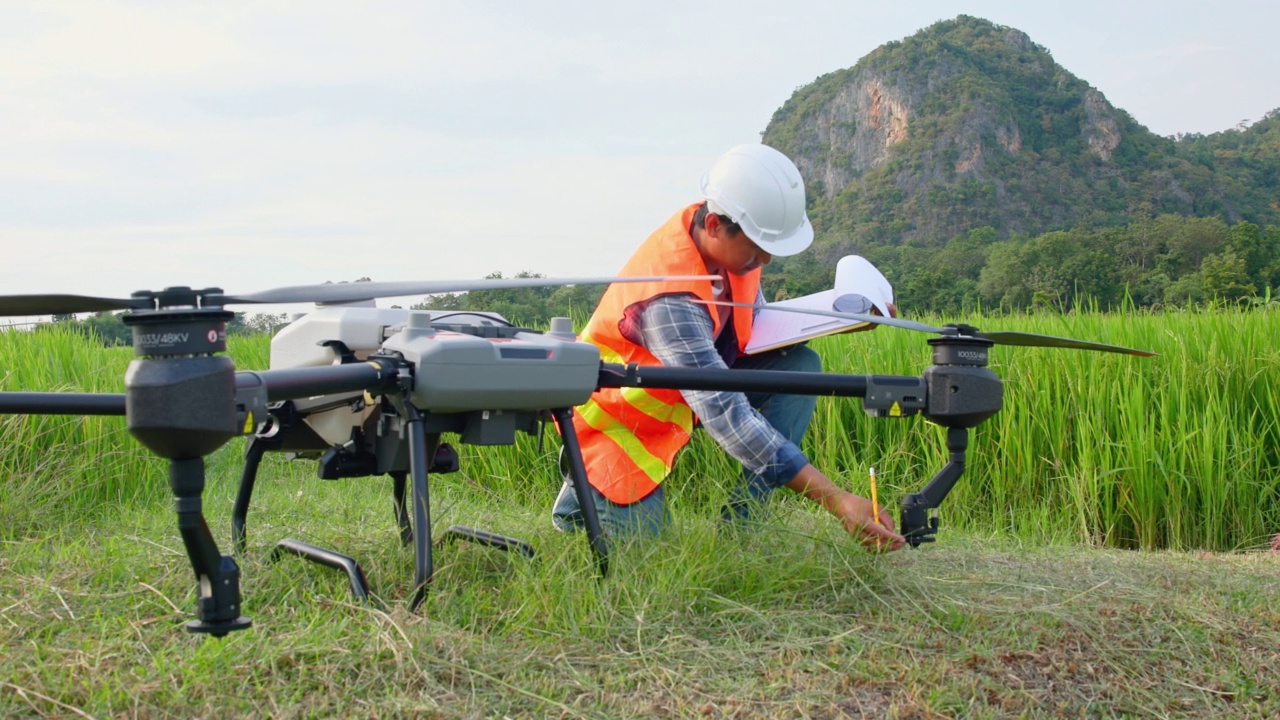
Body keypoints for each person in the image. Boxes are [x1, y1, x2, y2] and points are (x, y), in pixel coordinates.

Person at [553, 143, 905, 552]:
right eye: (758, 246)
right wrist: (835, 498)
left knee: (800, 368)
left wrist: (843, 323)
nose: (767, 259)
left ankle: (742, 524)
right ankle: (578, 499)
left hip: (680, 400)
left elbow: (754, 329)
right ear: (717, 224)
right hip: (621, 425)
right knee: (647, 559)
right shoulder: (671, 301)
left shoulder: (730, 253)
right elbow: (723, 410)